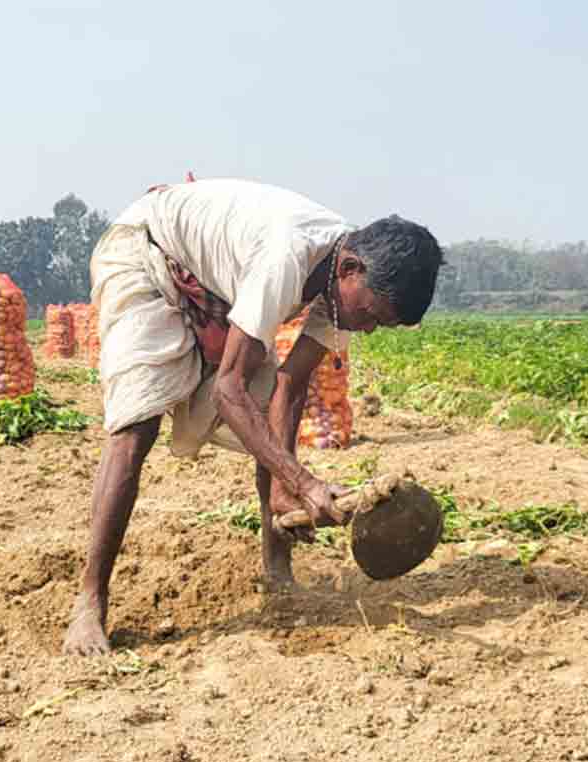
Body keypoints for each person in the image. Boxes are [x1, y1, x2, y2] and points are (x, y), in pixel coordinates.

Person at [63, 177, 443, 655]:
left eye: (378, 325)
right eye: (369, 315)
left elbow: (291, 384)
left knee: (264, 417)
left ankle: (278, 572)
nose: (365, 329)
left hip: (216, 287)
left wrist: (286, 487)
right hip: (149, 255)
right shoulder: (286, 256)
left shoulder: (346, 280)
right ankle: (90, 602)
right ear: (350, 269)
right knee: (137, 424)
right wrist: (305, 482)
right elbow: (228, 390)